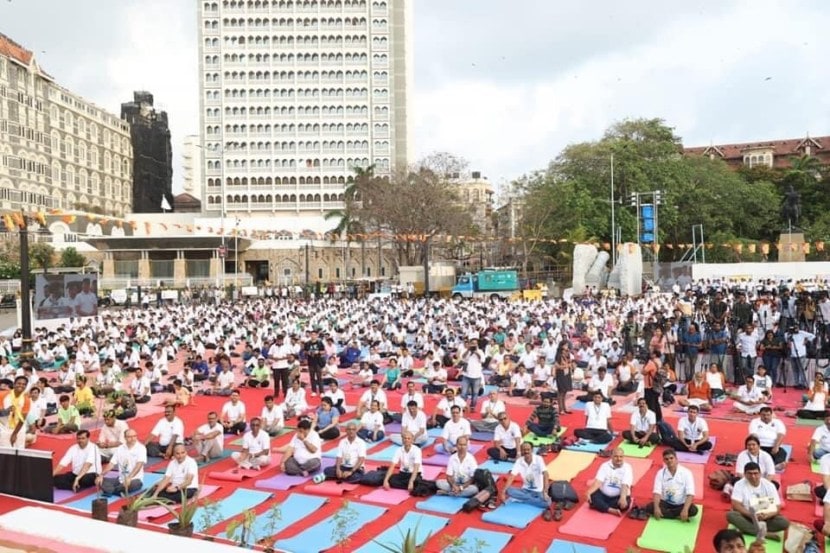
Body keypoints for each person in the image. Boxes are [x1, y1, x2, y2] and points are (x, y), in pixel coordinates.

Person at [728, 462, 789, 541]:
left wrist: (767, 515)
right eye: (749, 474)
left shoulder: (769, 485)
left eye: (755, 473)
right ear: (745, 474)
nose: (753, 476)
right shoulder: (739, 484)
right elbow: (735, 504)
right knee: (731, 515)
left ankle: (748, 529)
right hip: (747, 516)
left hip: (765, 517)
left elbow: (777, 507)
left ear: (760, 474)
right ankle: (763, 533)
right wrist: (751, 515)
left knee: (784, 522)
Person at [498, 441, 553, 521]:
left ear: (532, 450)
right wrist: (503, 492)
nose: (526, 451)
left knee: (547, 502)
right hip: (525, 490)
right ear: (521, 450)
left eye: (528, 449)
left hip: (539, 491)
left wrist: (545, 492)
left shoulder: (538, 459)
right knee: (509, 490)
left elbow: (546, 474)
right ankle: (531, 500)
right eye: (524, 450)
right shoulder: (519, 461)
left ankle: (523, 500)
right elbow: (512, 476)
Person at [642, 448, 697, 520]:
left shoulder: (687, 473)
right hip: (665, 503)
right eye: (666, 459)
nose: (669, 461)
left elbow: (690, 494)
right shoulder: (660, 473)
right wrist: (656, 508)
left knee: (693, 510)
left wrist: (685, 510)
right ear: (664, 461)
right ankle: (675, 515)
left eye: (671, 458)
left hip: (680, 504)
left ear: (676, 459)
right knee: (650, 507)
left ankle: (668, 514)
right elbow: (657, 492)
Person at [96, 429, 146, 496]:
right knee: (99, 480)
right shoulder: (120, 448)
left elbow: (139, 465)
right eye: (130, 437)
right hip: (120, 480)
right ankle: (118, 491)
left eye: (134, 436)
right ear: (125, 438)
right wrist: (101, 475)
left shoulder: (141, 448)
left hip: (134, 479)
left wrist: (129, 477)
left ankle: (111, 490)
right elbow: (111, 464)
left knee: (133, 484)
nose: (132, 438)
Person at [585, 447, 632, 516]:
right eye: (616, 457)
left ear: (623, 457)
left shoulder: (627, 468)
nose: (619, 459)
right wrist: (588, 492)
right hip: (603, 495)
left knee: (625, 505)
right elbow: (598, 482)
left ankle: (601, 506)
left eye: (621, 457)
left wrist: (622, 498)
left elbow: (625, 485)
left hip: (618, 497)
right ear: (611, 457)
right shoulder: (605, 466)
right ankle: (611, 510)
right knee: (592, 496)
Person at [0, 376, 31, 448]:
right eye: (19, 383)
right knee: (5, 452)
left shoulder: (26, 400)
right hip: (4, 428)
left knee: (19, 451)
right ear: (14, 384)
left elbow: (22, 419)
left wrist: (15, 434)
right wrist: (6, 411)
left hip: (19, 429)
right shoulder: (2, 395)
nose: (21, 385)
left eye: (24, 384)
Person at [642, 350, 664, 422]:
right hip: (657, 385)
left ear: (655, 354)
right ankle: (659, 417)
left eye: (651, 353)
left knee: (650, 403)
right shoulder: (659, 361)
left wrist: (645, 365)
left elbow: (643, 372)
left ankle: (652, 418)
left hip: (650, 385)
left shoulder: (651, 363)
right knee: (656, 402)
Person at [304, 329, 326, 396]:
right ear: (310, 335)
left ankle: (321, 391)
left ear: (317, 335)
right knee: (312, 377)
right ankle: (314, 391)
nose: (313, 336)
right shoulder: (307, 343)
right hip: (311, 362)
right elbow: (305, 351)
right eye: (312, 334)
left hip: (318, 362)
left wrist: (318, 352)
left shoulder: (320, 342)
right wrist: (309, 352)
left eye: (314, 335)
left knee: (319, 377)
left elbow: (324, 351)